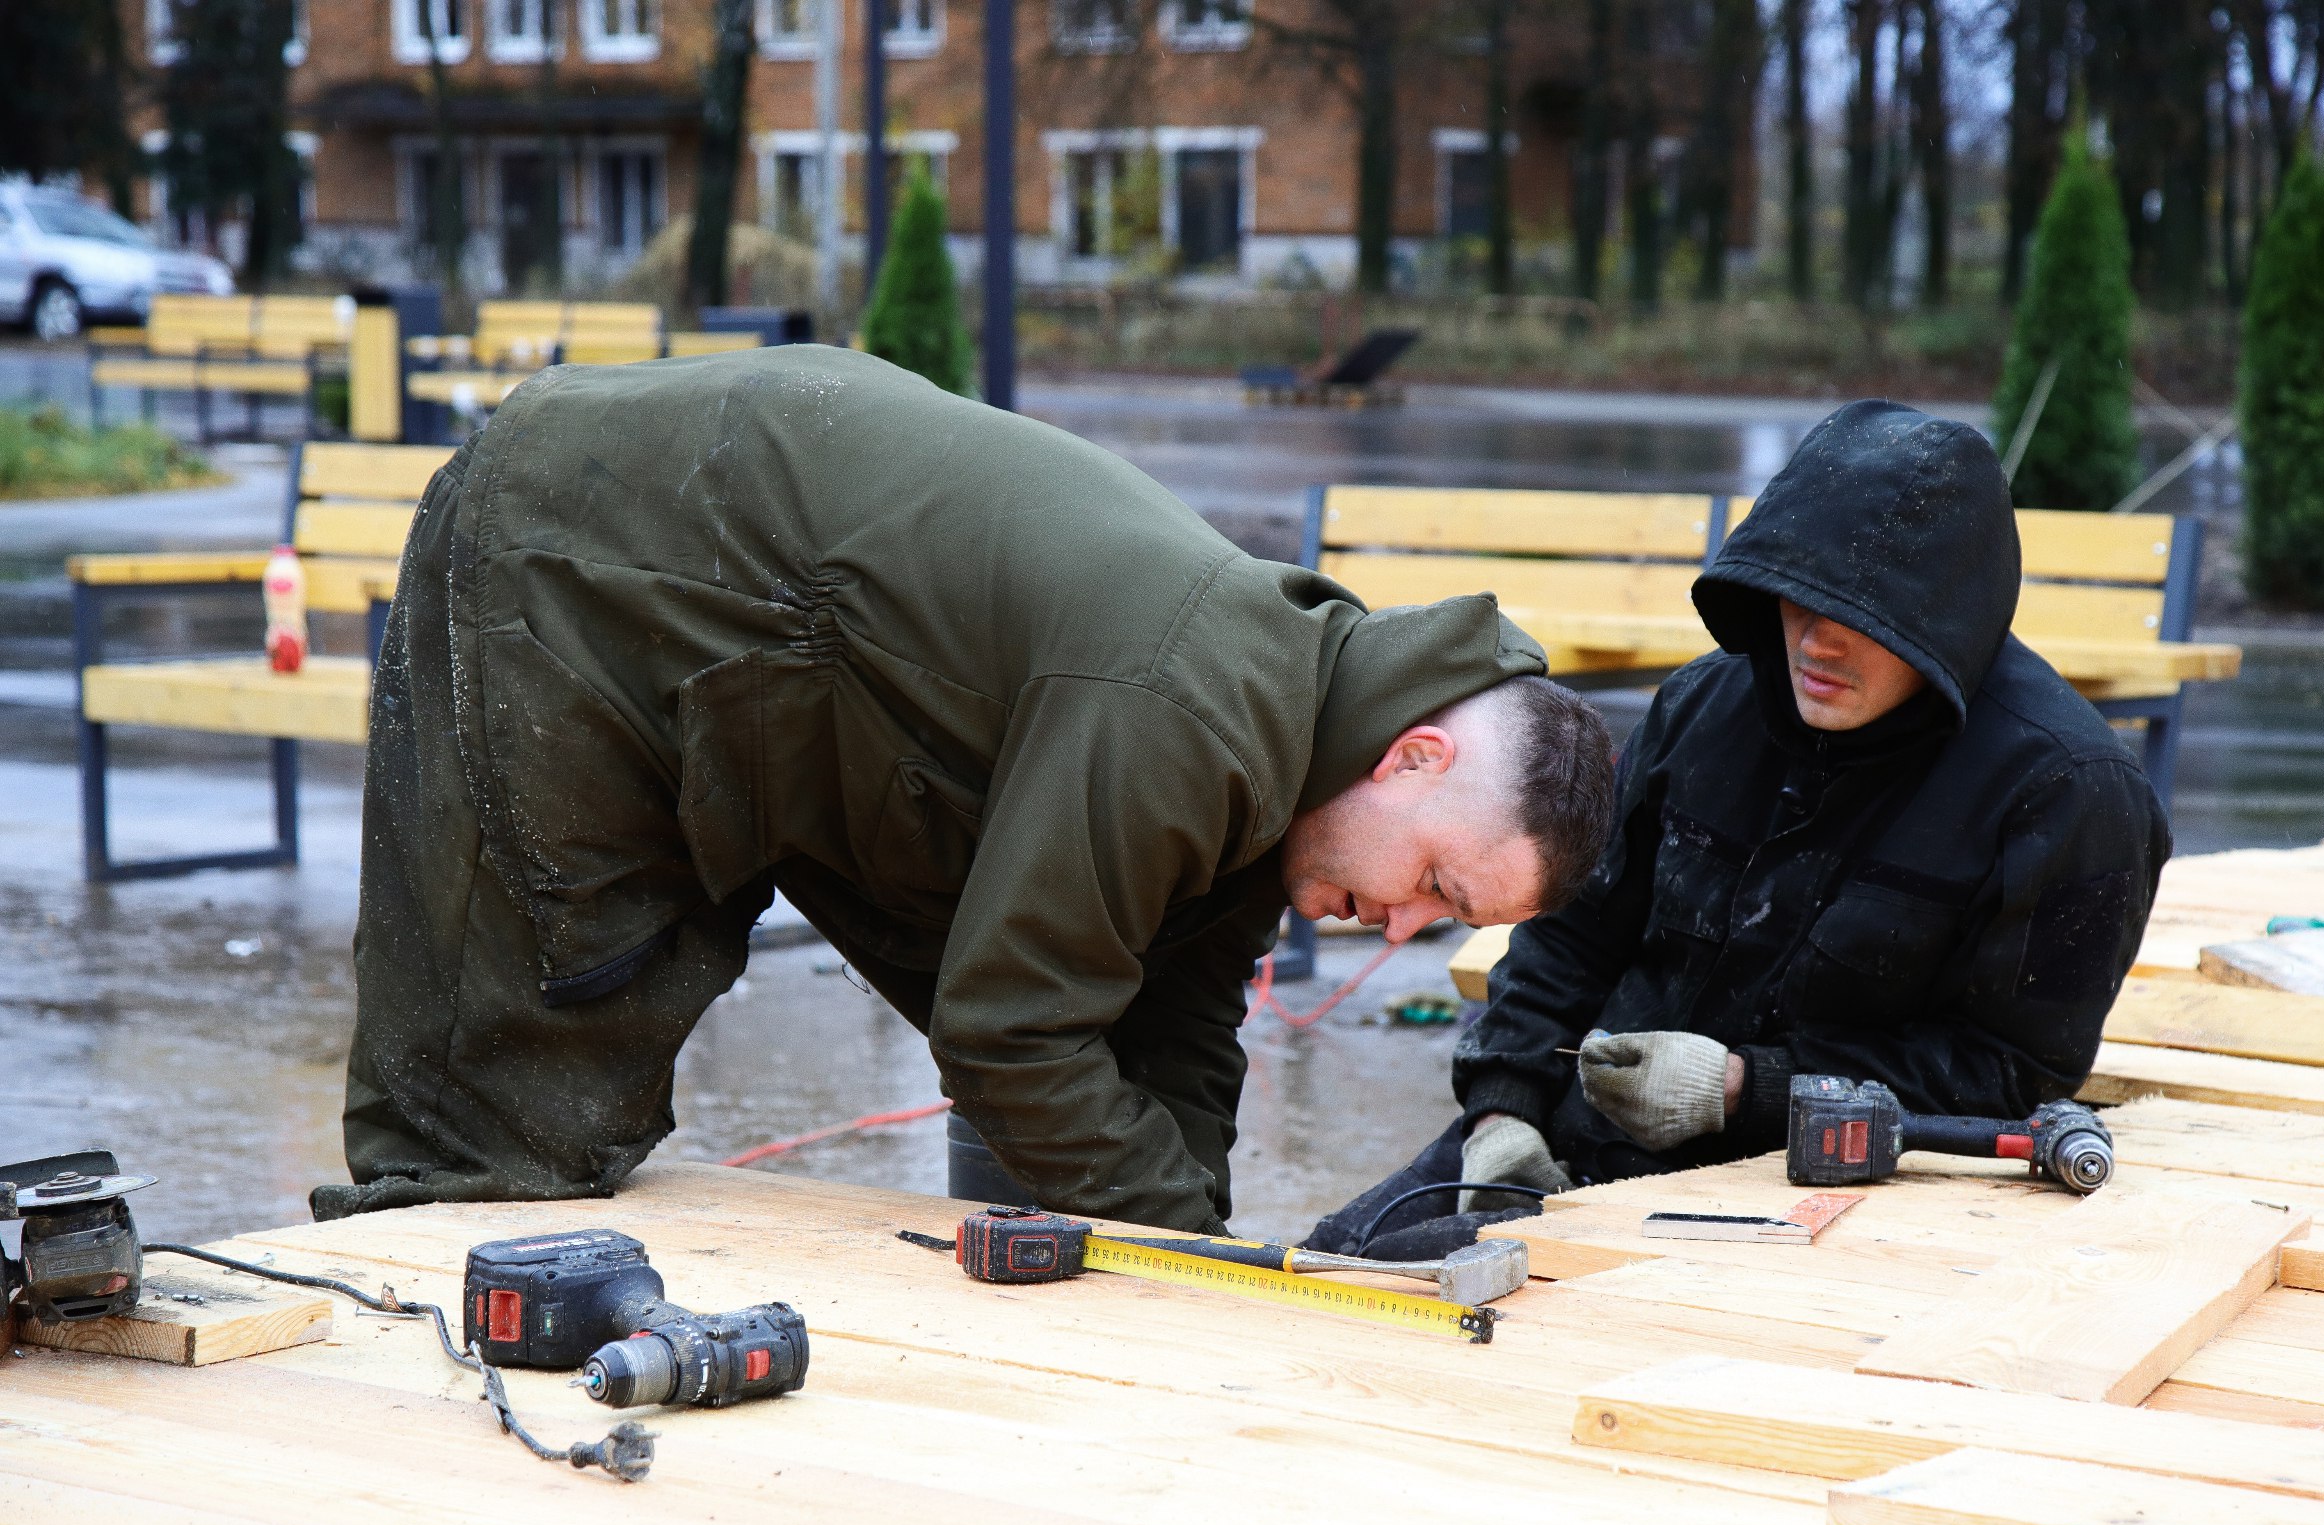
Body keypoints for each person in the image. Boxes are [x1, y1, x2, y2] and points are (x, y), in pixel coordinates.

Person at [321, 346, 1616, 1235]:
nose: (1397, 929)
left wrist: (1197, 1265)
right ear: (1414, 757)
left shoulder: (1285, 746)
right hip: (592, 542)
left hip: (772, 597)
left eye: (1443, 922)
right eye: (1435, 886)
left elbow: (1170, 1030)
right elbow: (1011, 1028)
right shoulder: (1190, 702)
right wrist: (1180, 1245)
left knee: (1085, 1068)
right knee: (498, 1110)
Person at [1307, 399, 2171, 1260]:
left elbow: (2009, 1076)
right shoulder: (1706, 704)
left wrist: (1742, 1089)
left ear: (1947, 622)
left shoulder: (2070, 796)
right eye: (1796, 601)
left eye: (1861, 622)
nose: (1816, 644)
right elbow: (1572, 933)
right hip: (1570, 1139)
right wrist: (1503, 1106)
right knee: (1329, 1260)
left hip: (1806, 1195)